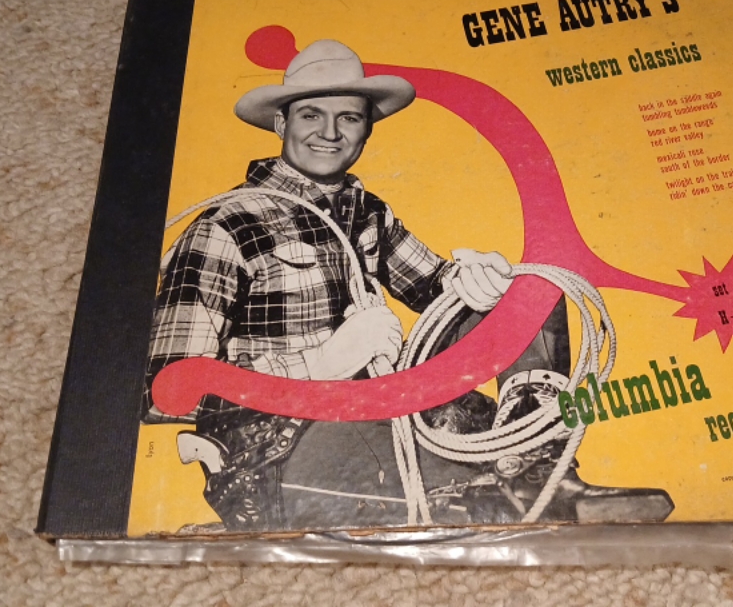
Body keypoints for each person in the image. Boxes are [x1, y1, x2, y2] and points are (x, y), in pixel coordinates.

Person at [147, 39, 670, 531]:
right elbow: (164, 391)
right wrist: (320, 365)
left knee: (528, 292)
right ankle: (516, 492)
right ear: (281, 122)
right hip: (279, 447)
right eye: (311, 115)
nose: (330, 132)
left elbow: (440, 292)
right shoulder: (225, 227)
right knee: (471, 503)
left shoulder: (366, 212)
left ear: (367, 128)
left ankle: (542, 471)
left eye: (348, 117)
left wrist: (481, 283)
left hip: (382, 411)